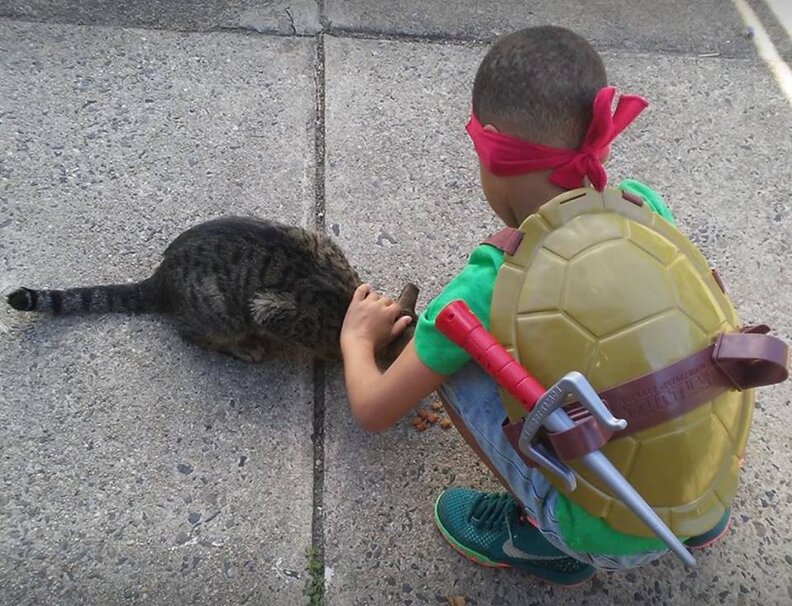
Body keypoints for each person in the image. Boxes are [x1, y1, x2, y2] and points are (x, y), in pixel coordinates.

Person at [338, 25, 729, 586]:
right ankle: (698, 515)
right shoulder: (642, 206)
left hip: (608, 532)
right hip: (712, 481)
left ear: (492, 146)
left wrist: (356, 339)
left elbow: (373, 410)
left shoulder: (485, 286)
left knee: (452, 359)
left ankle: (546, 539)